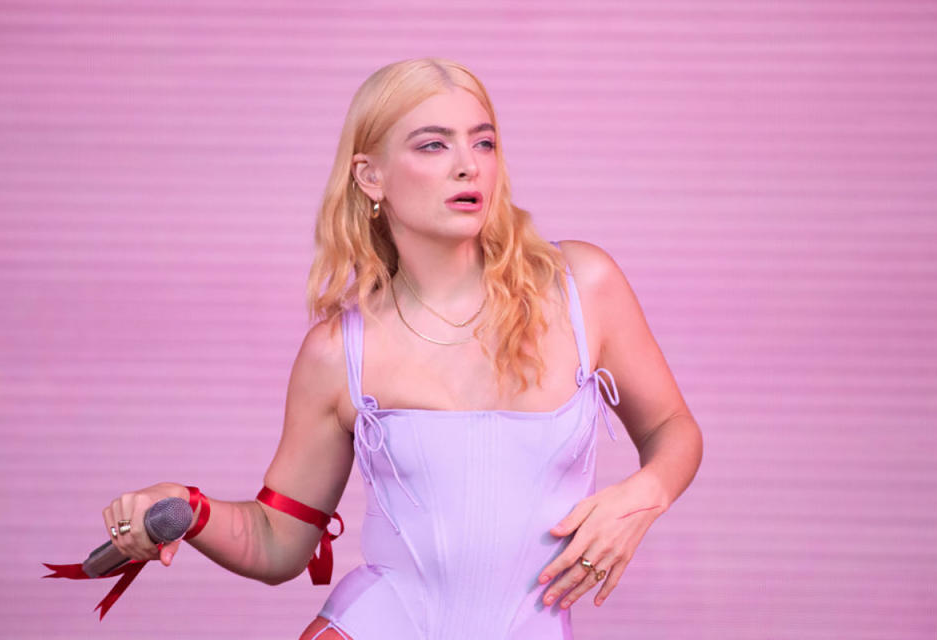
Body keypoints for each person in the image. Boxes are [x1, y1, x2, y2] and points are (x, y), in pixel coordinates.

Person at [103, 58, 703, 639]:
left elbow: (674, 427)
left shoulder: (583, 286)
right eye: (433, 145)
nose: (468, 166)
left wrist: (641, 497)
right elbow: (277, 541)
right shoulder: (338, 353)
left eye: (484, 142)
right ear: (370, 176)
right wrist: (187, 505)